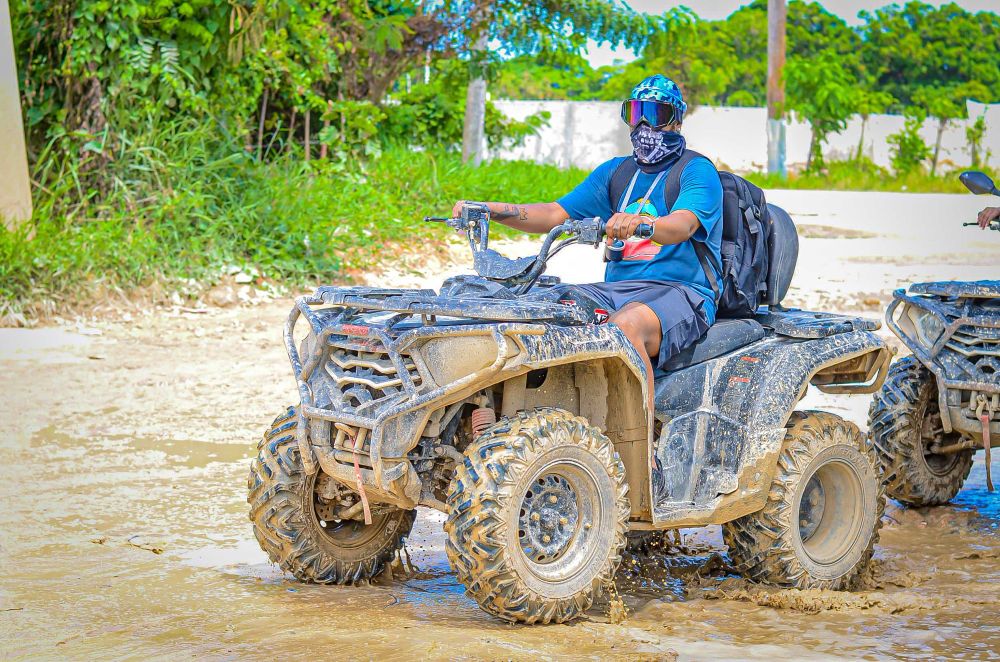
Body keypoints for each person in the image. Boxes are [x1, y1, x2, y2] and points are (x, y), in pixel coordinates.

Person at [452, 74, 723, 399]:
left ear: (676, 120)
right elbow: (554, 214)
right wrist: (490, 210)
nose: (643, 125)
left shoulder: (695, 170)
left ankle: (642, 428)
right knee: (541, 308)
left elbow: (682, 225)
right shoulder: (617, 172)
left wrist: (644, 223)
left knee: (626, 328)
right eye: (635, 114)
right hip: (617, 290)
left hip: (681, 292)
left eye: (655, 114)